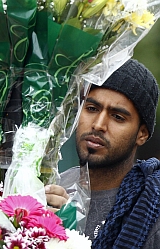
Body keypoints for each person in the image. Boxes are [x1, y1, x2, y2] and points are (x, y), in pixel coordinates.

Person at [60, 59, 160, 248]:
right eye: (91, 109)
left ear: (142, 134)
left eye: (117, 117)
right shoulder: (47, 190)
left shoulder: (150, 208)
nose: (98, 125)